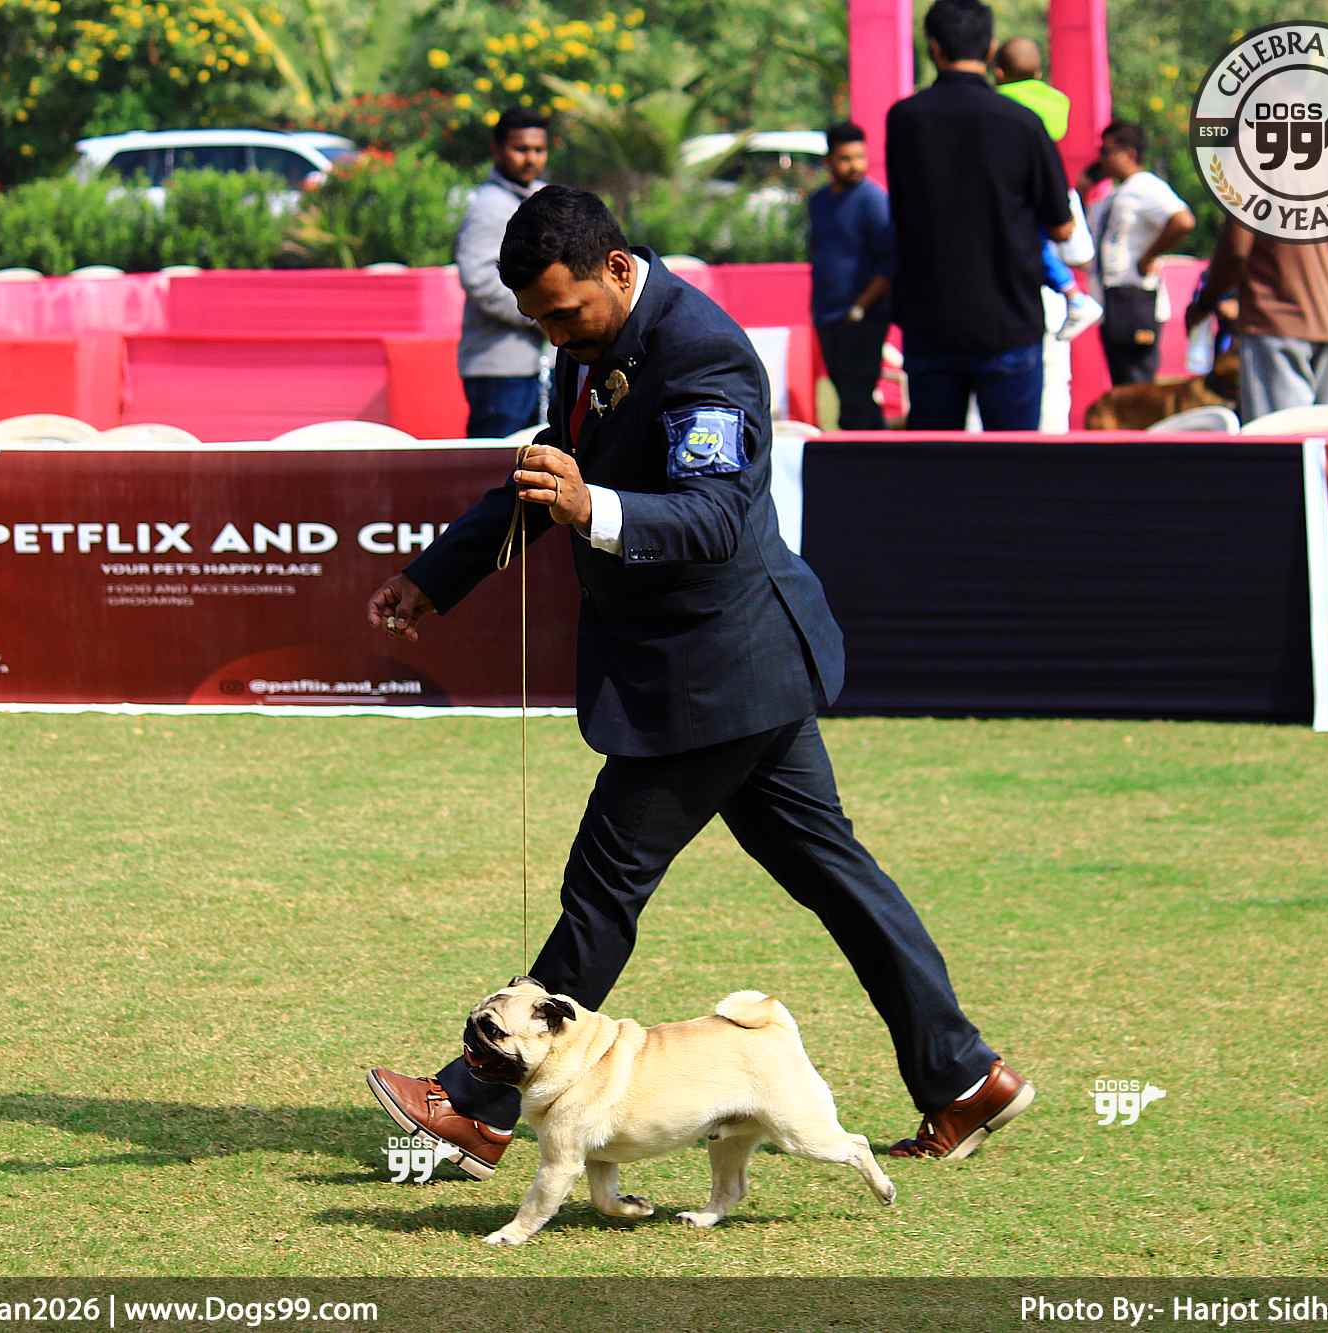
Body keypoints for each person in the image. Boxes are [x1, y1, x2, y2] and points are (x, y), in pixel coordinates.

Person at [364, 185, 1033, 1180]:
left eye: (562, 312)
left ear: (615, 267)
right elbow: (549, 475)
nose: (553, 335)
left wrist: (595, 508)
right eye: (539, 320)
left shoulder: (703, 352)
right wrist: (435, 577)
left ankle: (475, 1102)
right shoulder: (589, 337)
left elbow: (713, 515)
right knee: (838, 879)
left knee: (602, 888)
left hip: (715, 672)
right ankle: (963, 1075)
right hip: (737, 671)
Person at [885, 0, 1074, 431]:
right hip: (1010, 321)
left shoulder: (904, 120)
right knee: (1012, 463)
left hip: (930, 322)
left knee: (936, 464)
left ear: (934, 48)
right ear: (990, 50)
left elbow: (902, 213)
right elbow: (1062, 226)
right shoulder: (1024, 123)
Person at [1192, 221, 1328, 424]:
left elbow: (1235, 251)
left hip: (1274, 320)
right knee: (1315, 432)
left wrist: (1205, 302)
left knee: (1277, 433)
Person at [992, 38, 1103, 345]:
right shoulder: (1057, 101)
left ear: (999, 73)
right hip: (1050, 186)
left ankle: (1074, 296)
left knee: (1032, 245)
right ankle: (1072, 296)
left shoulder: (998, 102)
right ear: (1039, 72)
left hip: (1017, 190)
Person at [456, 107, 550, 439]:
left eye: (538, 149)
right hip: (499, 367)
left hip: (540, 365)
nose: (531, 158)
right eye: (520, 149)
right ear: (497, 150)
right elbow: (480, 280)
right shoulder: (489, 206)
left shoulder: (542, 197)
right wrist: (542, 313)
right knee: (496, 462)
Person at [1087, 120, 1194, 387]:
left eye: (1107, 152)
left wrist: (1148, 257)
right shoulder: (1116, 193)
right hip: (1112, 299)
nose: (1101, 159)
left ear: (1129, 153)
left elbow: (1182, 221)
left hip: (1136, 298)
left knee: (1137, 385)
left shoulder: (1146, 186)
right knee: (1122, 384)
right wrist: (1086, 181)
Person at [806, 123, 893, 431]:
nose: (855, 165)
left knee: (859, 397)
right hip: (827, 315)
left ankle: (872, 454)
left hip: (862, 317)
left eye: (860, 157)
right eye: (846, 158)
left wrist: (860, 307)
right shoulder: (819, 202)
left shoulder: (873, 201)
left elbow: (889, 263)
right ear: (829, 161)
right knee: (844, 394)